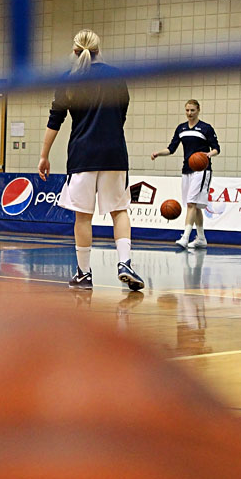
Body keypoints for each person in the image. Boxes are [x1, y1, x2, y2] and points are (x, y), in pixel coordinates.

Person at [38, 29, 144, 292]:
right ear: (99, 49)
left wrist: (44, 155)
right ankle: (125, 263)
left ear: (75, 51)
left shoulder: (68, 79)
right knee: (120, 211)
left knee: (83, 218)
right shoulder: (116, 75)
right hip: (114, 153)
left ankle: (84, 274)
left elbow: (55, 120)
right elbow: (122, 112)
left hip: (82, 154)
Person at [151, 99, 221, 249]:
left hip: (202, 170)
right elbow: (171, 148)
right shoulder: (181, 128)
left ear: (198, 110)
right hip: (186, 169)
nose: (189, 113)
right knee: (194, 206)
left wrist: (207, 155)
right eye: (187, 110)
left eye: (192, 110)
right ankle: (201, 238)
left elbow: (216, 149)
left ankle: (185, 237)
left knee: (191, 203)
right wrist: (158, 153)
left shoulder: (206, 128)